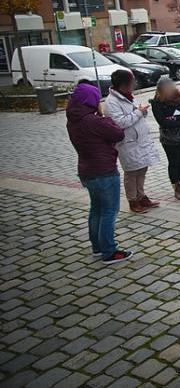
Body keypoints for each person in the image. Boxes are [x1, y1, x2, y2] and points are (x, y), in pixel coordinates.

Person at [66, 82, 132, 264]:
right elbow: (118, 134)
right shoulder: (94, 121)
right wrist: (103, 117)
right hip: (104, 171)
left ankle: (97, 247)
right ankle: (109, 251)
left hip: (87, 171)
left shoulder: (73, 120)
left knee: (96, 210)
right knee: (109, 212)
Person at [105, 69, 160, 214]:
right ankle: (133, 200)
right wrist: (138, 112)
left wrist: (142, 111)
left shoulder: (129, 96)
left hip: (140, 139)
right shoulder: (111, 102)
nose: (134, 84)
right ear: (124, 84)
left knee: (142, 168)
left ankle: (141, 196)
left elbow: (137, 113)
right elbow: (119, 122)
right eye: (132, 81)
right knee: (131, 172)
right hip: (127, 142)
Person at [151, 76, 180, 200]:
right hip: (169, 139)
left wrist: (175, 119)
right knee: (174, 163)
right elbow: (163, 122)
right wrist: (179, 122)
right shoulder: (157, 103)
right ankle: (176, 187)